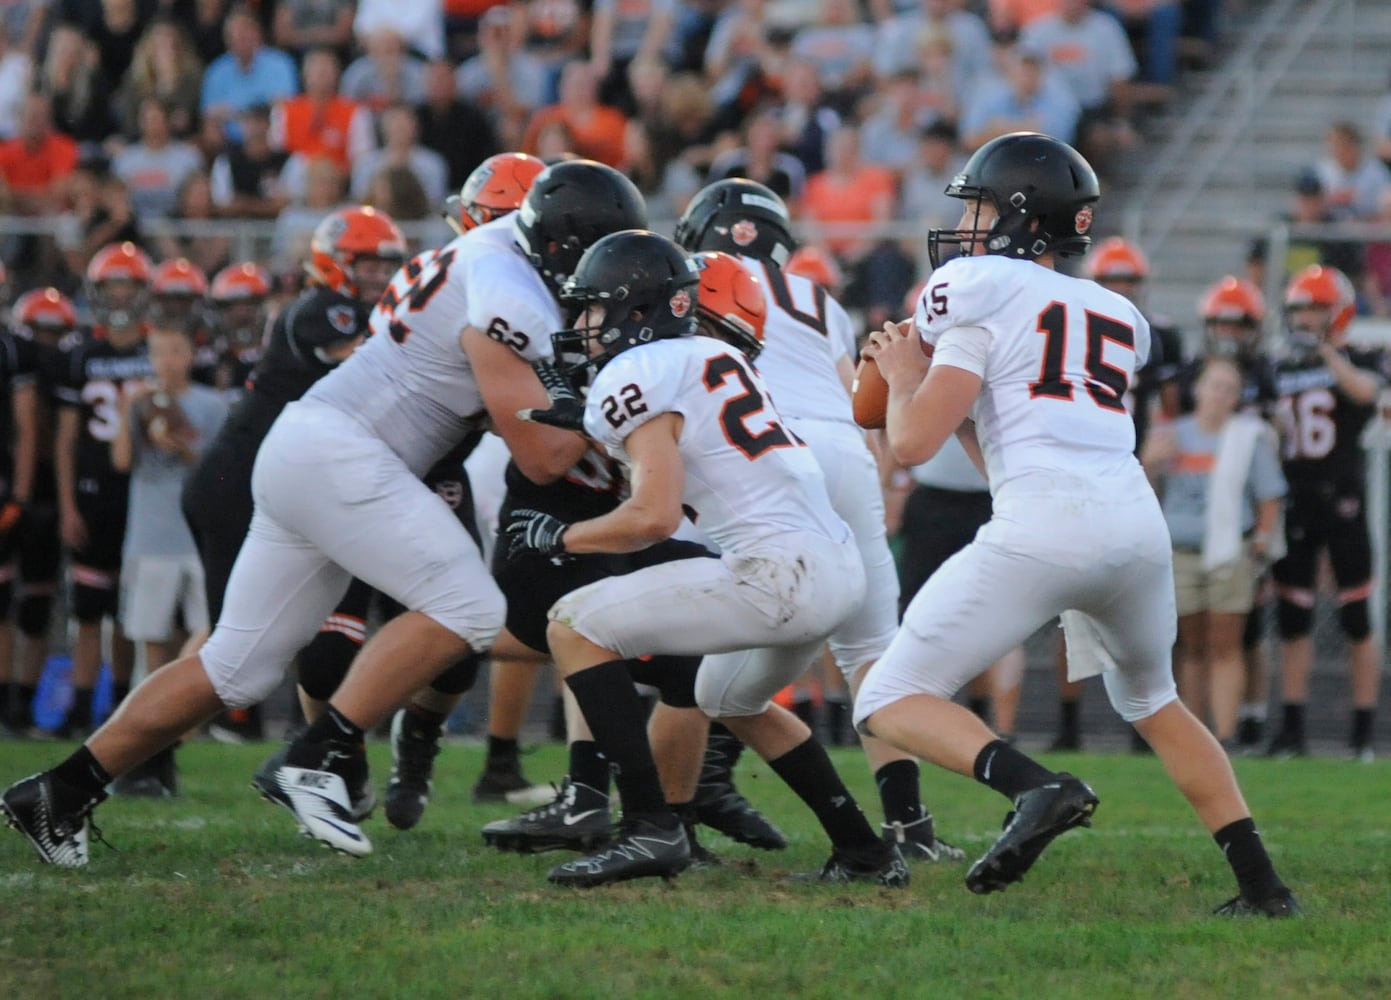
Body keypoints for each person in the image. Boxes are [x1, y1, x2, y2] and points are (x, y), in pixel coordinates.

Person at [0, 162, 635, 867]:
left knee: (234, 666)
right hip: (348, 455)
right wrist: (614, 415)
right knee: (469, 607)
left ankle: (59, 789)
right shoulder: (508, 291)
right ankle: (319, 753)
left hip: (310, 447)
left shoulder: (470, 258)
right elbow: (543, 457)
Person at [854, 131, 1299, 917]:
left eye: (981, 205)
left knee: (887, 697)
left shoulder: (975, 286)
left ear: (1020, 217)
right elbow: (1000, 432)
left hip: (1044, 526)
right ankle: (1262, 888)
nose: (968, 221)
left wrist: (897, 375)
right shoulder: (1118, 313)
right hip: (1132, 526)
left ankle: (1037, 788)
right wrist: (917, 386)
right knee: (1155, 703)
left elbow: (911, 442)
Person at [511, 230, 907, 888]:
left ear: (638, 311)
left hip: (775, 574)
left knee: (572, 626)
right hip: (835, 570)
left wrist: (557, 537)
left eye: (592, 309)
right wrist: (593, 417)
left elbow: (653, 517)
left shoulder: (637, 371)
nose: (580, 324)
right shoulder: (711, 356)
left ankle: (648, 827)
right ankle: (864, 850)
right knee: (728, 697)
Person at [673, 178, 964, 863]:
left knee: (683, 642)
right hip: (841, 451)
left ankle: (668, 805)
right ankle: (908, 826)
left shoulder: (693, 280)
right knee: (871, 651)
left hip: (757, 452)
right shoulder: (815, 296)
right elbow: (854, 401)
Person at [1266, 265, 1390, 763]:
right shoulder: (1279, 364)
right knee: (1294, 621)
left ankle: (1362, 733)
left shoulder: (1361, 355)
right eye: (1299, 310)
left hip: (1343, 496)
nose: (1305, 319)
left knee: (1357, 617)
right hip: (1295, 498)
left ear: (1337, 313)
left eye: (1315, 309)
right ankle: (1292, 728)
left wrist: (1325, 353)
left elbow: (1367, 394)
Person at [108, 324, 229, 794]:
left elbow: (220, 471)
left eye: (176, 349)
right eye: (159, 352)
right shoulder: (140, 402)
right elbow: (122, 462)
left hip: (198, 537)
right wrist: (128, 411)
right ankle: (147, 754)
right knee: (152, 645)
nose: (168, 361)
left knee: (208, 643)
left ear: (191, 352)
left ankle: (174, 741)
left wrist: (183, 446)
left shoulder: (211, 405)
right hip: (151, 536)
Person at [1141, 357, 1285, 747]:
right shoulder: (1172, 434)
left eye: (1228, 388)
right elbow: (1142, 492)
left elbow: (1269, 495)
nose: (1219, 395)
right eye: (1214, 385)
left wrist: (1260, 541)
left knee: (1226, 644)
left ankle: (1224, 733)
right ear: (1198, 389)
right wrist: (1151, 462)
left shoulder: (1246, 437)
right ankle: (1195, 735)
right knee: (1191, 647)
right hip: (1181, 552)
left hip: (1227, 552)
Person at [54, 243, 155, 741]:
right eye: (111, 286)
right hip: (95, 494)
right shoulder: (82, 355)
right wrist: (68, 503)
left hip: (147, 494)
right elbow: (67, 438)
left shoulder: (156, 351)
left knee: (129, 613)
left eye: (126, 286)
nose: (118, 296)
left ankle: (120, 704)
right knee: (89, 611)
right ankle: (77, 707)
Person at [0, 289, 71, 735]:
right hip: (21, 490)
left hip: (37, 494)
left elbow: (39, 433)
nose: (48, 341)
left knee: (36, 607)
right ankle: (11, 704)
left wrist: (22, 498)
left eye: (56, 331)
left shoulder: (21, 354)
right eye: (41, 330)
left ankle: (21, 705)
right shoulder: (16, 354)